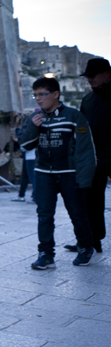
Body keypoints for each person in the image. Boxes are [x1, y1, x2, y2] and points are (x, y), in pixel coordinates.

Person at [19, 76, 96, 270]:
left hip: (70, 173)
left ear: (55, 94)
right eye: (35, 95)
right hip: (43, 173)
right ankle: (46, 254)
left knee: (77, 213)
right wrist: (33, 127)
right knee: (44, 215)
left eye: (42, 94)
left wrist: (84, 178)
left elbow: (85, 149)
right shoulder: (35, 118)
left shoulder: (73, 116)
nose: (38, 99)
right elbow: (25, 145)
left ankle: (85, 247)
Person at [65, 57, 111, 254]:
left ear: (107, 74)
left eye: (93, 75)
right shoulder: (88, 100)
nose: (90, 79)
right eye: (87, 76)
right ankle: (92, 241)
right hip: (96, 157)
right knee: (90, 200)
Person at [13, 116, 37, 203]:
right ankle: (22, 195)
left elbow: (25, 144)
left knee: (33, 177)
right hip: (30, 156)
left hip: (31, 156)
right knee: (26, 176)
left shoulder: (29, 131)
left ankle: (36, 196)